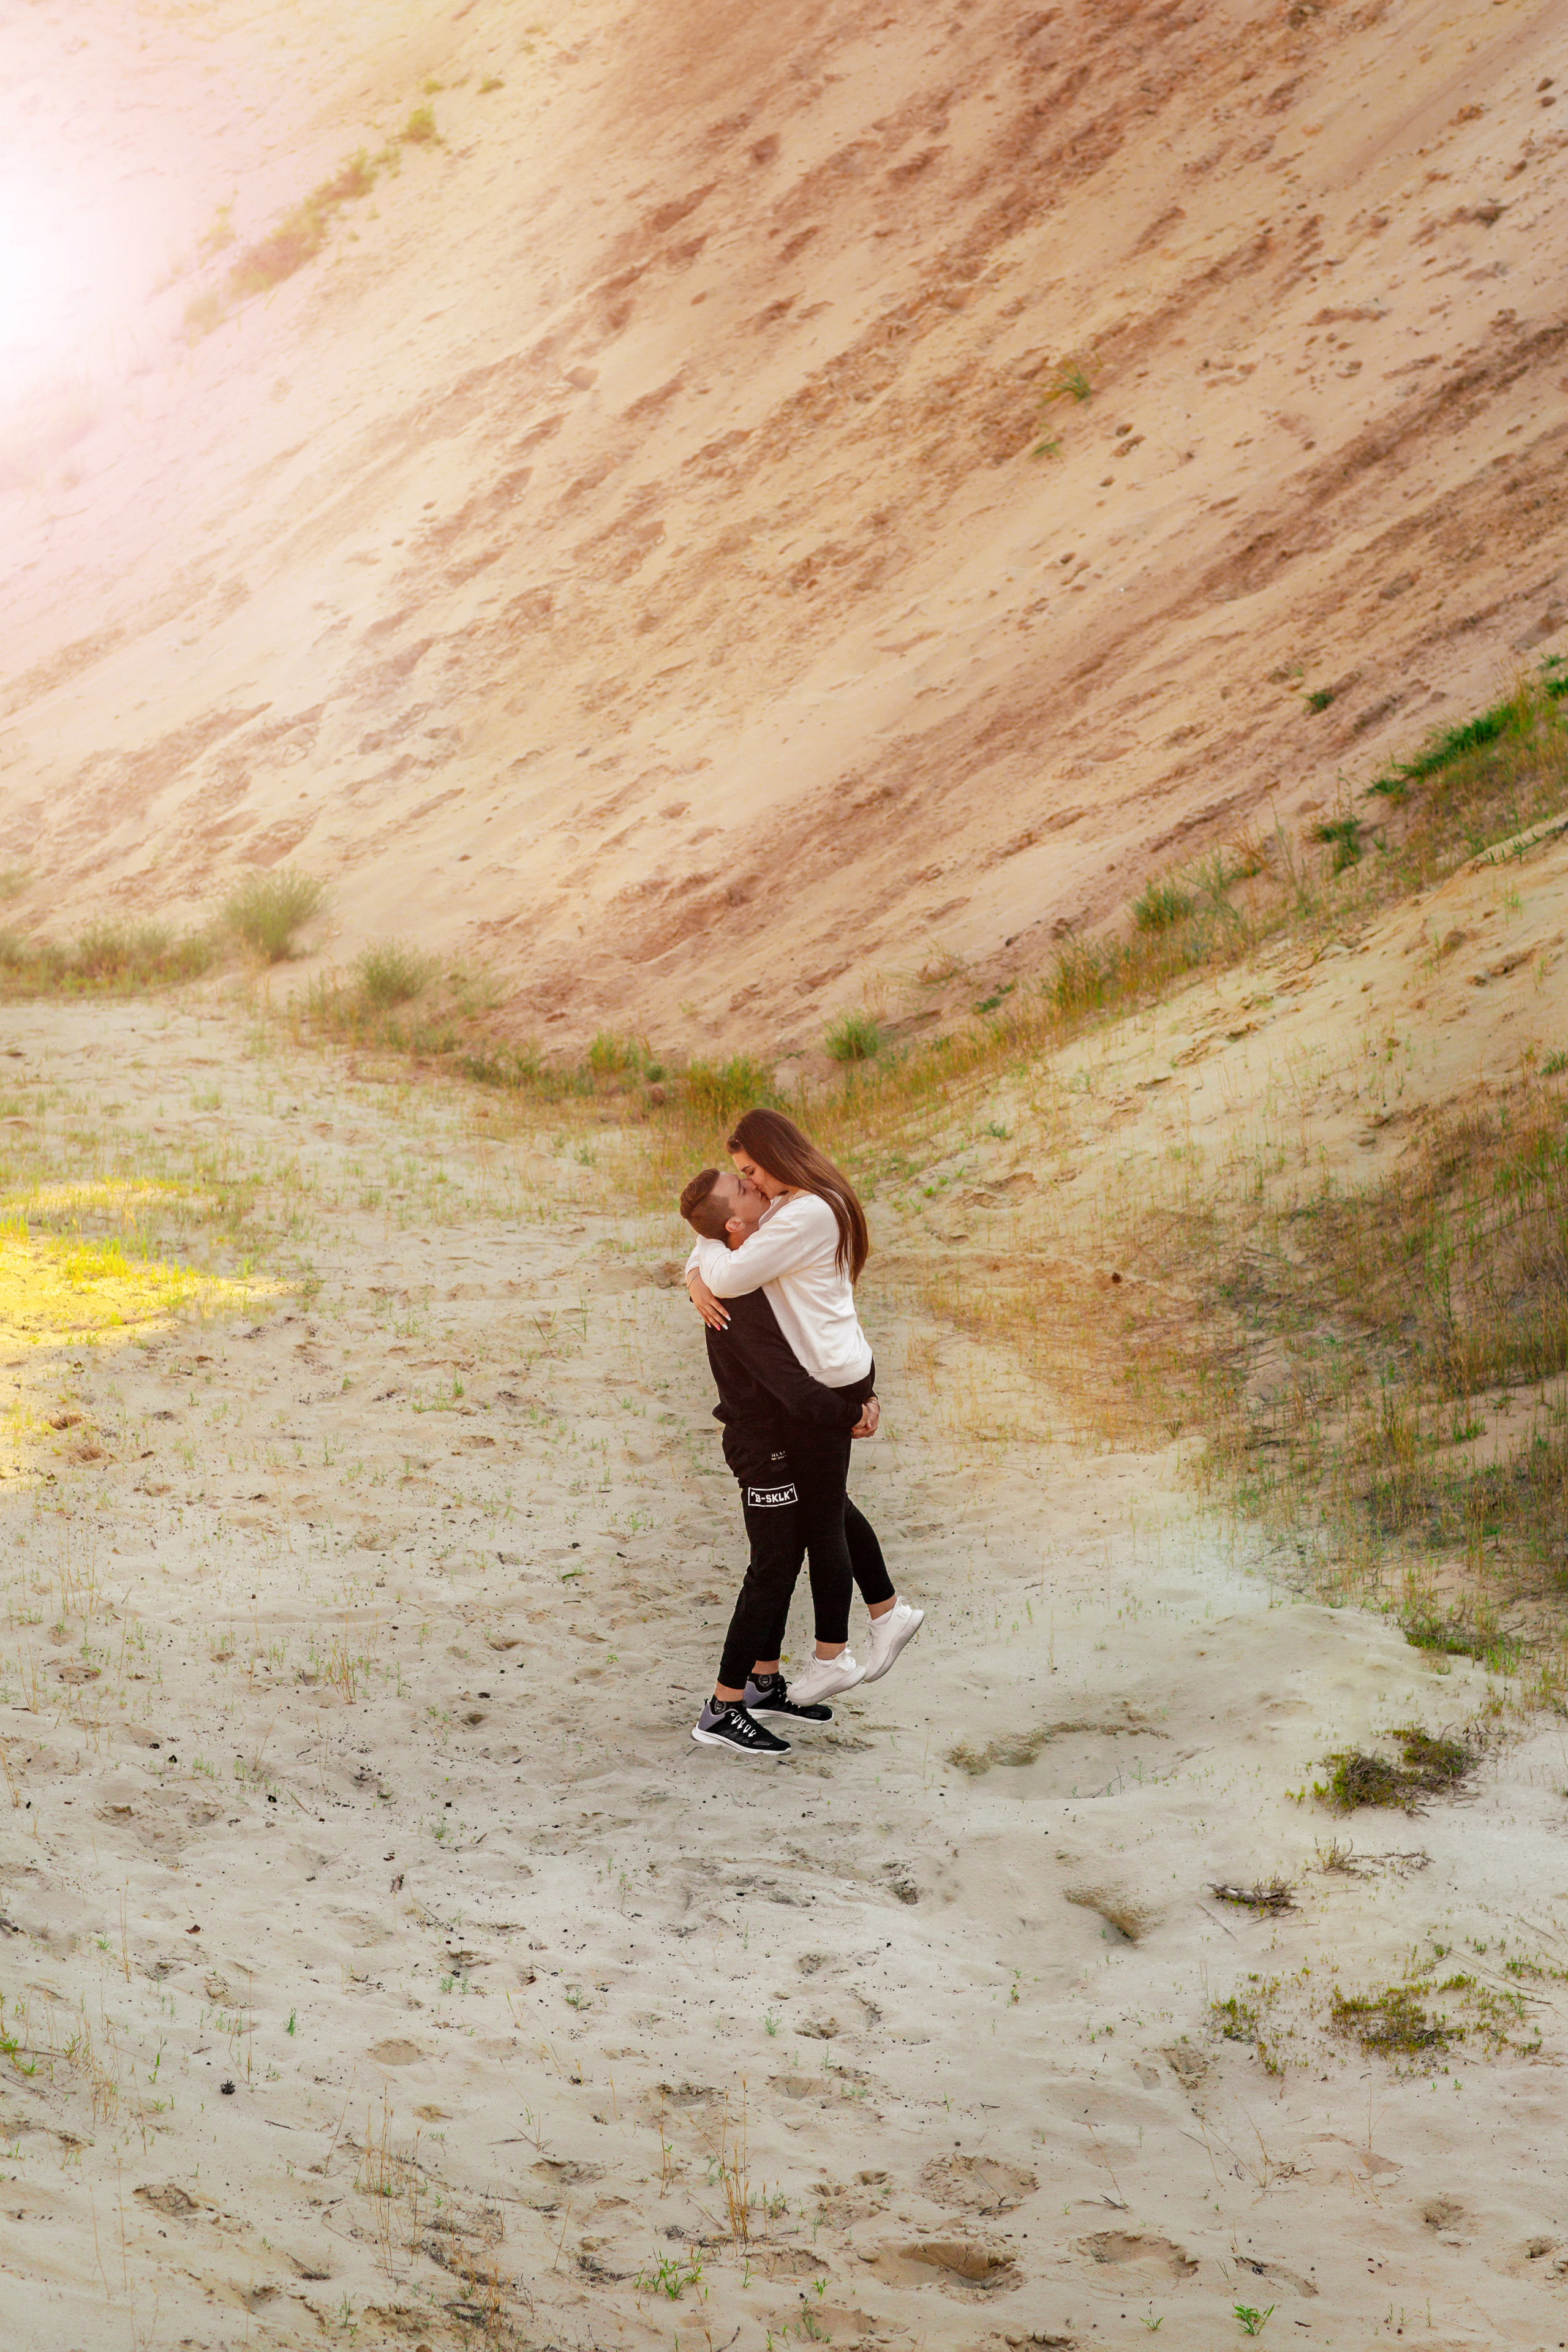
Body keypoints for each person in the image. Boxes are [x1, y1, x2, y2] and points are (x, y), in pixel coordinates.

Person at [683, 1108, 922, 1705]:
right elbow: (727, 1230)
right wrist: (697, 1262)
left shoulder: (802, 1214)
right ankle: (887, 1614)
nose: (750, 1182)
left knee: (820, 1520)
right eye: (741, 1176)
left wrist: (702, 1267)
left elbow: (733, 1270)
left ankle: (831, 1657)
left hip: (826, 1379)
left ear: (773, 1158)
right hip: (844, 1365)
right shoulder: (809, 1201)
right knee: (832, 1507)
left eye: (749, 1171)